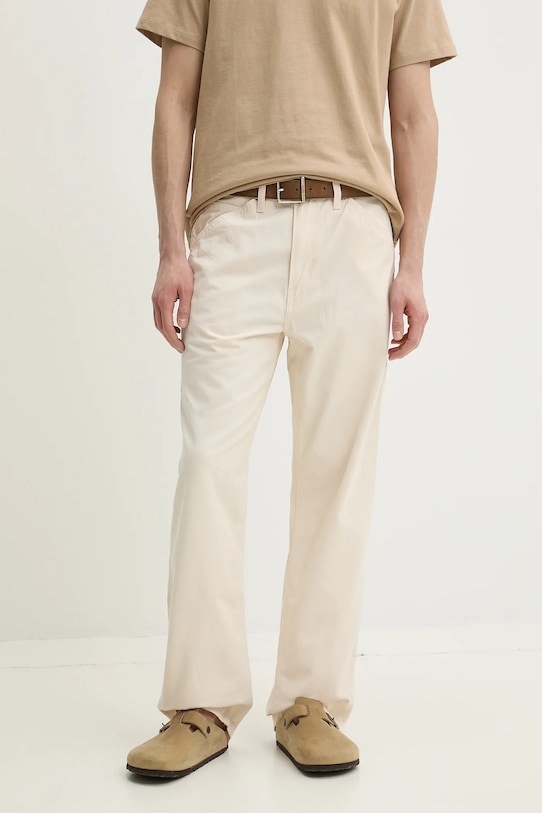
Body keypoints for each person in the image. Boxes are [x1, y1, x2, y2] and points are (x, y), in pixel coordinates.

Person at [126, 0, 457, 779]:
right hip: (231, 224)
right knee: (208, 463)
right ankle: (200, 703)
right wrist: (171, 247)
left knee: (336, 474)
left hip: (354, 227)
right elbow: (175, 96)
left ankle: (311, 699)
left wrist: (411, 264)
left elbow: (413, 113)